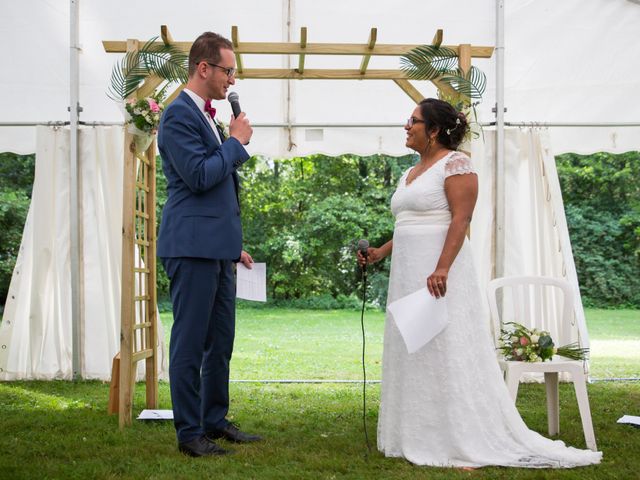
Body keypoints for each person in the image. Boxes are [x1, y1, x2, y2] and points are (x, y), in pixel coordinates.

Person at [357, 98, 602, 468]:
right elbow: (407, 224)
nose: (406, 126)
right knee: (413, 348)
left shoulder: (456, 164)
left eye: (413, 121)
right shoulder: (410, 172)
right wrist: (379, 252)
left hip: (441, 272)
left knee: (444, 347)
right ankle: (415, 431)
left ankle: (457, 435)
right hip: (406, 273)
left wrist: (442, 268)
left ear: (435, 130)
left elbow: (460, 218)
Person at [157, 31, 261, 457]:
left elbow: (216, 188)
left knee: (221, 340)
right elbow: (199, 176)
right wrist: (235, 142)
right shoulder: (177, 115)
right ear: (204, 68)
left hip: (216, 249)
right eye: (228, 70)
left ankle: (214, 420)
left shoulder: (206, 116)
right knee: (190, 341)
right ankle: (189, 433)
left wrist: (231, 245)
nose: (232, 79)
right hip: (190, 247)